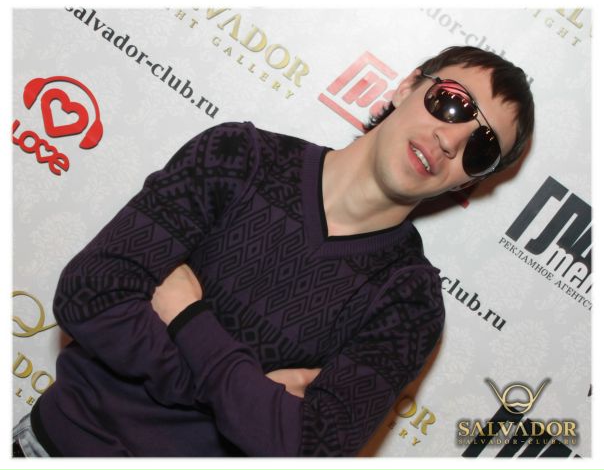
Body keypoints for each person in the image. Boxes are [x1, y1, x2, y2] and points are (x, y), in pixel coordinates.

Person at [13, 45, 534, 457]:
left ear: (469, 180)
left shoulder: (410, 302)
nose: (451, 140)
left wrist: (189, 319)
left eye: (481, 147)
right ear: (406, 87)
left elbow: (305, 448)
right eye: (452, 102)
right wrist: (245, 398)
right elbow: (90, 294)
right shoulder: (239, 157)